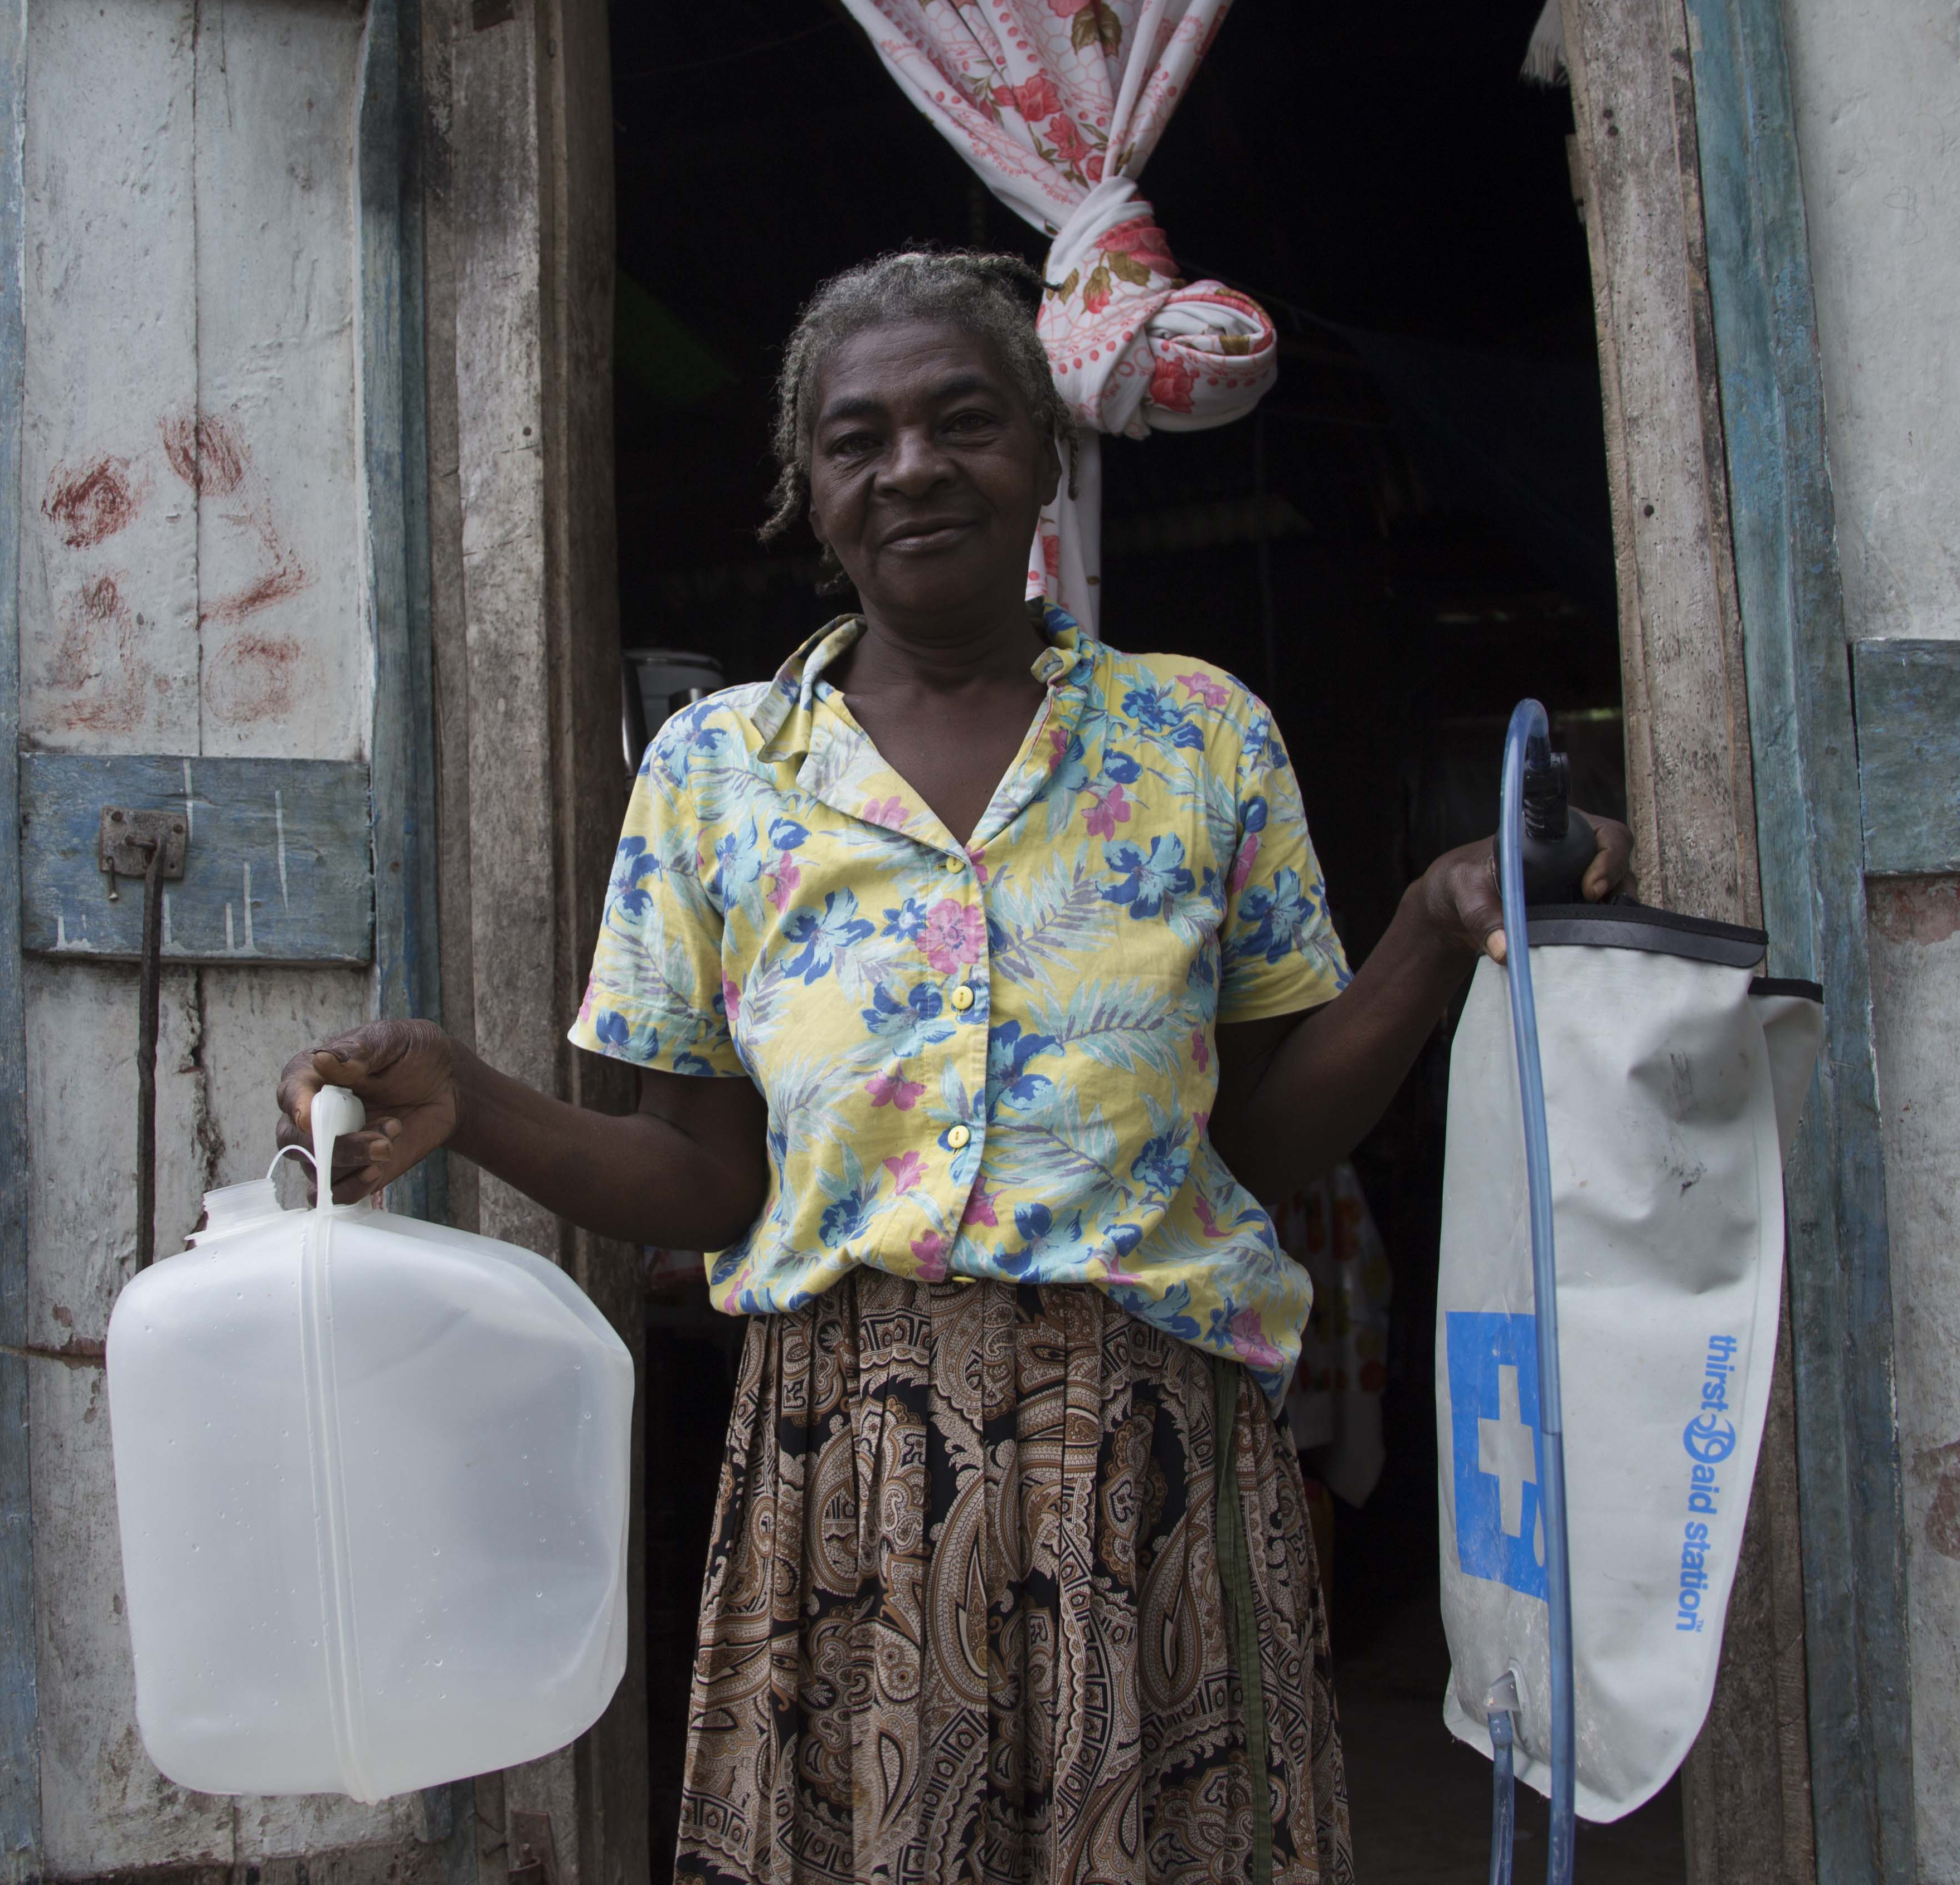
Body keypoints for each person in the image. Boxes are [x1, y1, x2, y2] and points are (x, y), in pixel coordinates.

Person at [277, 249, 1632, 1884]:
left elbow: (1262, 1149)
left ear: (1045, 455)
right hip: (845, 1470)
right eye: (859, 440)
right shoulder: (719, 776)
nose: (911, 466)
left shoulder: (1201, 738)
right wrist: (469, 1095)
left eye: (963, 420)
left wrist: (1427, 933)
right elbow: (704, 1178)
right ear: (814, 492)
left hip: (1152, 1454)